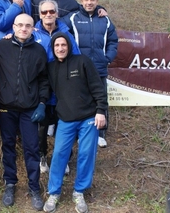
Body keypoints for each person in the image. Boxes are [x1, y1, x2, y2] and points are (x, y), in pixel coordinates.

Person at [43, 32, 107, 213]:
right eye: (56, 46)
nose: (60, 48)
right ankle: (54, 192)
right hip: (65, 119)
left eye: (63, 45)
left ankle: (79, 192)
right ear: (53, 48)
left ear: (69, 46)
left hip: (88, 118)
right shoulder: (51, 67)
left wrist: (101, 110)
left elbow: (98, 87)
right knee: (59, 155)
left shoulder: (83, 62)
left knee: (86, 154)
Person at [0, 13, 49, 211]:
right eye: (20, 25)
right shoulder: (0, 47)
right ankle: (10, 184)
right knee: (8, 146)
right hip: (6, 107)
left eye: (28, 25)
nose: (23, 29)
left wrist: (42, 103)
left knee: (32, 148)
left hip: (30, 109)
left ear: (33, 28)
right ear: (13, 27)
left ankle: (34, 187)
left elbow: (44, 80)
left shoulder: (39, 51)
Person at [32, 0, 81, 175]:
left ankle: (63, 159)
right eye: (44, 12)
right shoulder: (33, 33)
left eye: (51, 11)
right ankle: (42, 155)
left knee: (64, 127)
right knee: (41, 128)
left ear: (57, 13)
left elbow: (76, 59)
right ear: (40, 14)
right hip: (42, 90)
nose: (48, 15)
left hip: (63, 90)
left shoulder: (66, 33)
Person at [69, 0, 118, 148]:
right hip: (78, 67)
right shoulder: (73, 18)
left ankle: (100, 133)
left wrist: (107, 58)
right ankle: (79, 131)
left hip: (99, 67)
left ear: (97, 1)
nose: (89, 2)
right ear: (81, 1)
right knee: (78, 98)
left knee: (100, 99)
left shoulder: (105, 19)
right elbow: (57, 28)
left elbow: (113, 40)